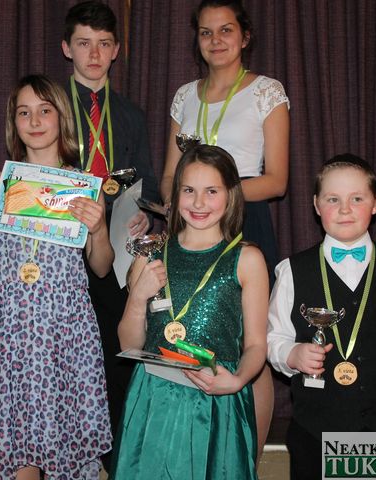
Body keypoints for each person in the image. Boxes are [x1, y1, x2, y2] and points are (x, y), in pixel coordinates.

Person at [0, 74, 112, 479]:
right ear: (13, 122)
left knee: (65, 454)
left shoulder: (84, 186)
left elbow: (102, 266)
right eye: (24, 112)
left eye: (44, 110)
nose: (34, 121)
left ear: (61, 118)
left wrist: (99, 229)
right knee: (17, 458)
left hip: (64, 331)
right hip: (11, 332)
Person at [159, 0, 291, 459]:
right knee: (189, 332)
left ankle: (246, 458)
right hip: (190, 228)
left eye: (226, 30)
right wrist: (180, 203)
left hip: (243, 222)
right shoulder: (184, 95)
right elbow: (169, 175)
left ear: (245, 36)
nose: (216, 40)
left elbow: (277, 180)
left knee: (250, 341)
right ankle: (196, 447)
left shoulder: (266, 92)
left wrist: (219, 196)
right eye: (205, 32)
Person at [267, 154, 376, 479]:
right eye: (333, 199)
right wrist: (292, 353)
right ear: (317, 205)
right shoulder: (292, 270)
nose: (345, 209)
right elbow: (274, 339)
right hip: (317, 433)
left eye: (357, 198)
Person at [110, 144, 268, 479]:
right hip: (153, 396)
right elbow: (128, 343)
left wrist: (237, 380)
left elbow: (256, 345)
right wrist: (138, 296)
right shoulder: (150, 254)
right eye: (188, 191)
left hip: (215, 396)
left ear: (231, 195)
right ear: (175, 194)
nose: (198, 203)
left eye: (211, 191)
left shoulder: (247, 259)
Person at [61, 0, 160, 466]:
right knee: (67, 360)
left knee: (116, 354)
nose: (95, 54)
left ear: (117, 50)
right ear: (67, 48)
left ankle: (119, 459)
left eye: (104, 44)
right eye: (84, 44)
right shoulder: (50, 108)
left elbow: (147, 183)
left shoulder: (130, 114)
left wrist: (144, 213)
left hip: (116, 252)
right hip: (62, 251)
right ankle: (70, 456)